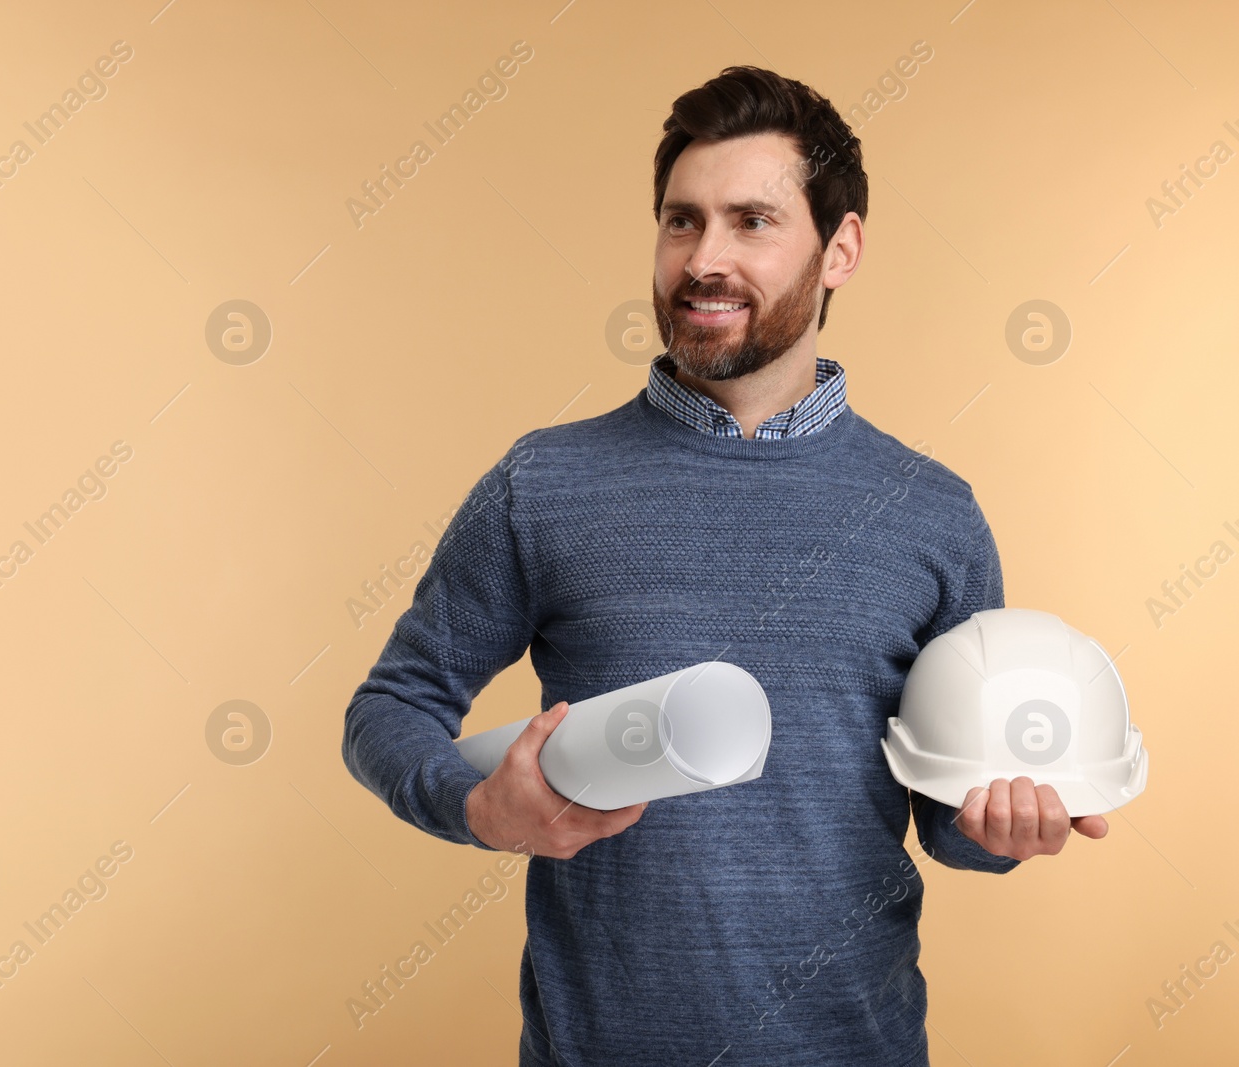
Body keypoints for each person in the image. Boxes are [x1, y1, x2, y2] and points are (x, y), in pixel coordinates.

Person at [341, 65, 1108, 1067]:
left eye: (751, 221)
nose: (703, 259)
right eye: (680, 221)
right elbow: (390, 705)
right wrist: (475, 806)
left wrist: (1003, 827)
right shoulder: (545, 482)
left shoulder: (931, 513)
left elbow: (947, 818)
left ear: (840, 250)